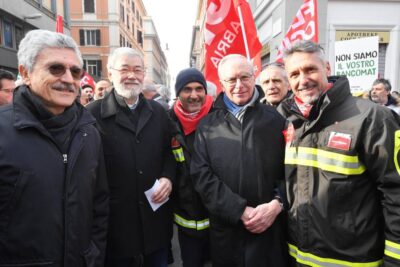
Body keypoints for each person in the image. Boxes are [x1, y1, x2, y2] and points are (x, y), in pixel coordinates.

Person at [277, 40, 400, 266]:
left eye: (310, 69)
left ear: (327, 68)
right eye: (294, 74)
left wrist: (395, 259)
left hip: (354, 261)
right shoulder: (289, 120)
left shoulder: (372, 118)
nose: (302, 80)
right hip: (299, 258)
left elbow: (396, 191)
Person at [0, 29, 108, 266]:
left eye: (75, 71)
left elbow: (99, 204)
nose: (69, 79)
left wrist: (94, 254)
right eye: (56, 68)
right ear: (25, 73)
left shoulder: (90, 131)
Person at [190, 54, 289, 266]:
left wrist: (277, 204)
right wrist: (239, 210)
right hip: (227, 233)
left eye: (245, 77)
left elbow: (291, 172)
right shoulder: (207, 126)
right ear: (221, 83)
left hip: (269, 232)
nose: (239, 85)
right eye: (231, 80)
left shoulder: (277, 121)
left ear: (254, 77)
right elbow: (202, 176)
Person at [86, 47, 176, 267]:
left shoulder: (160, 113)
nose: (132, 75)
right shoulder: (91, 114)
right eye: (124, 69)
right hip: (114, 228)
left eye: (137, 70)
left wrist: (168, 177)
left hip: (155, 224)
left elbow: (172, 153)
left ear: (144, 74)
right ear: (110, 72)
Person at [169, 68, 213, 267]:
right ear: (178, 93)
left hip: (219, 221)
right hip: (186, 221)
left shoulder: (219, 117)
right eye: (187, 89)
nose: (194, 95)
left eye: (198, 89)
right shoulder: (166, 121)